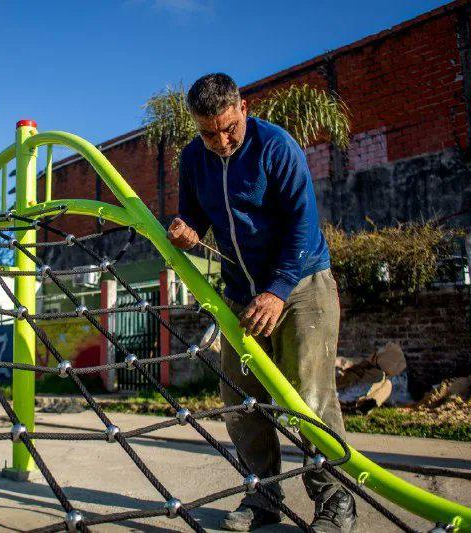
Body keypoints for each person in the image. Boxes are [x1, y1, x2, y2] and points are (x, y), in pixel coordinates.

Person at [167, 73, 355, 533]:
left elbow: (303, 225)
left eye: (228, 127)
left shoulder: (277, 146)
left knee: (309, 397)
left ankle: (334, 500)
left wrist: (278, 290)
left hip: (302, 286)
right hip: (240, 296)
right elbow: (192, 213)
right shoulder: (194, 158)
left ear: (244, 107)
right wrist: (185, 229)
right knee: (240, 397)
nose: (221, 141)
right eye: (208, 132)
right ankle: (263, 494)